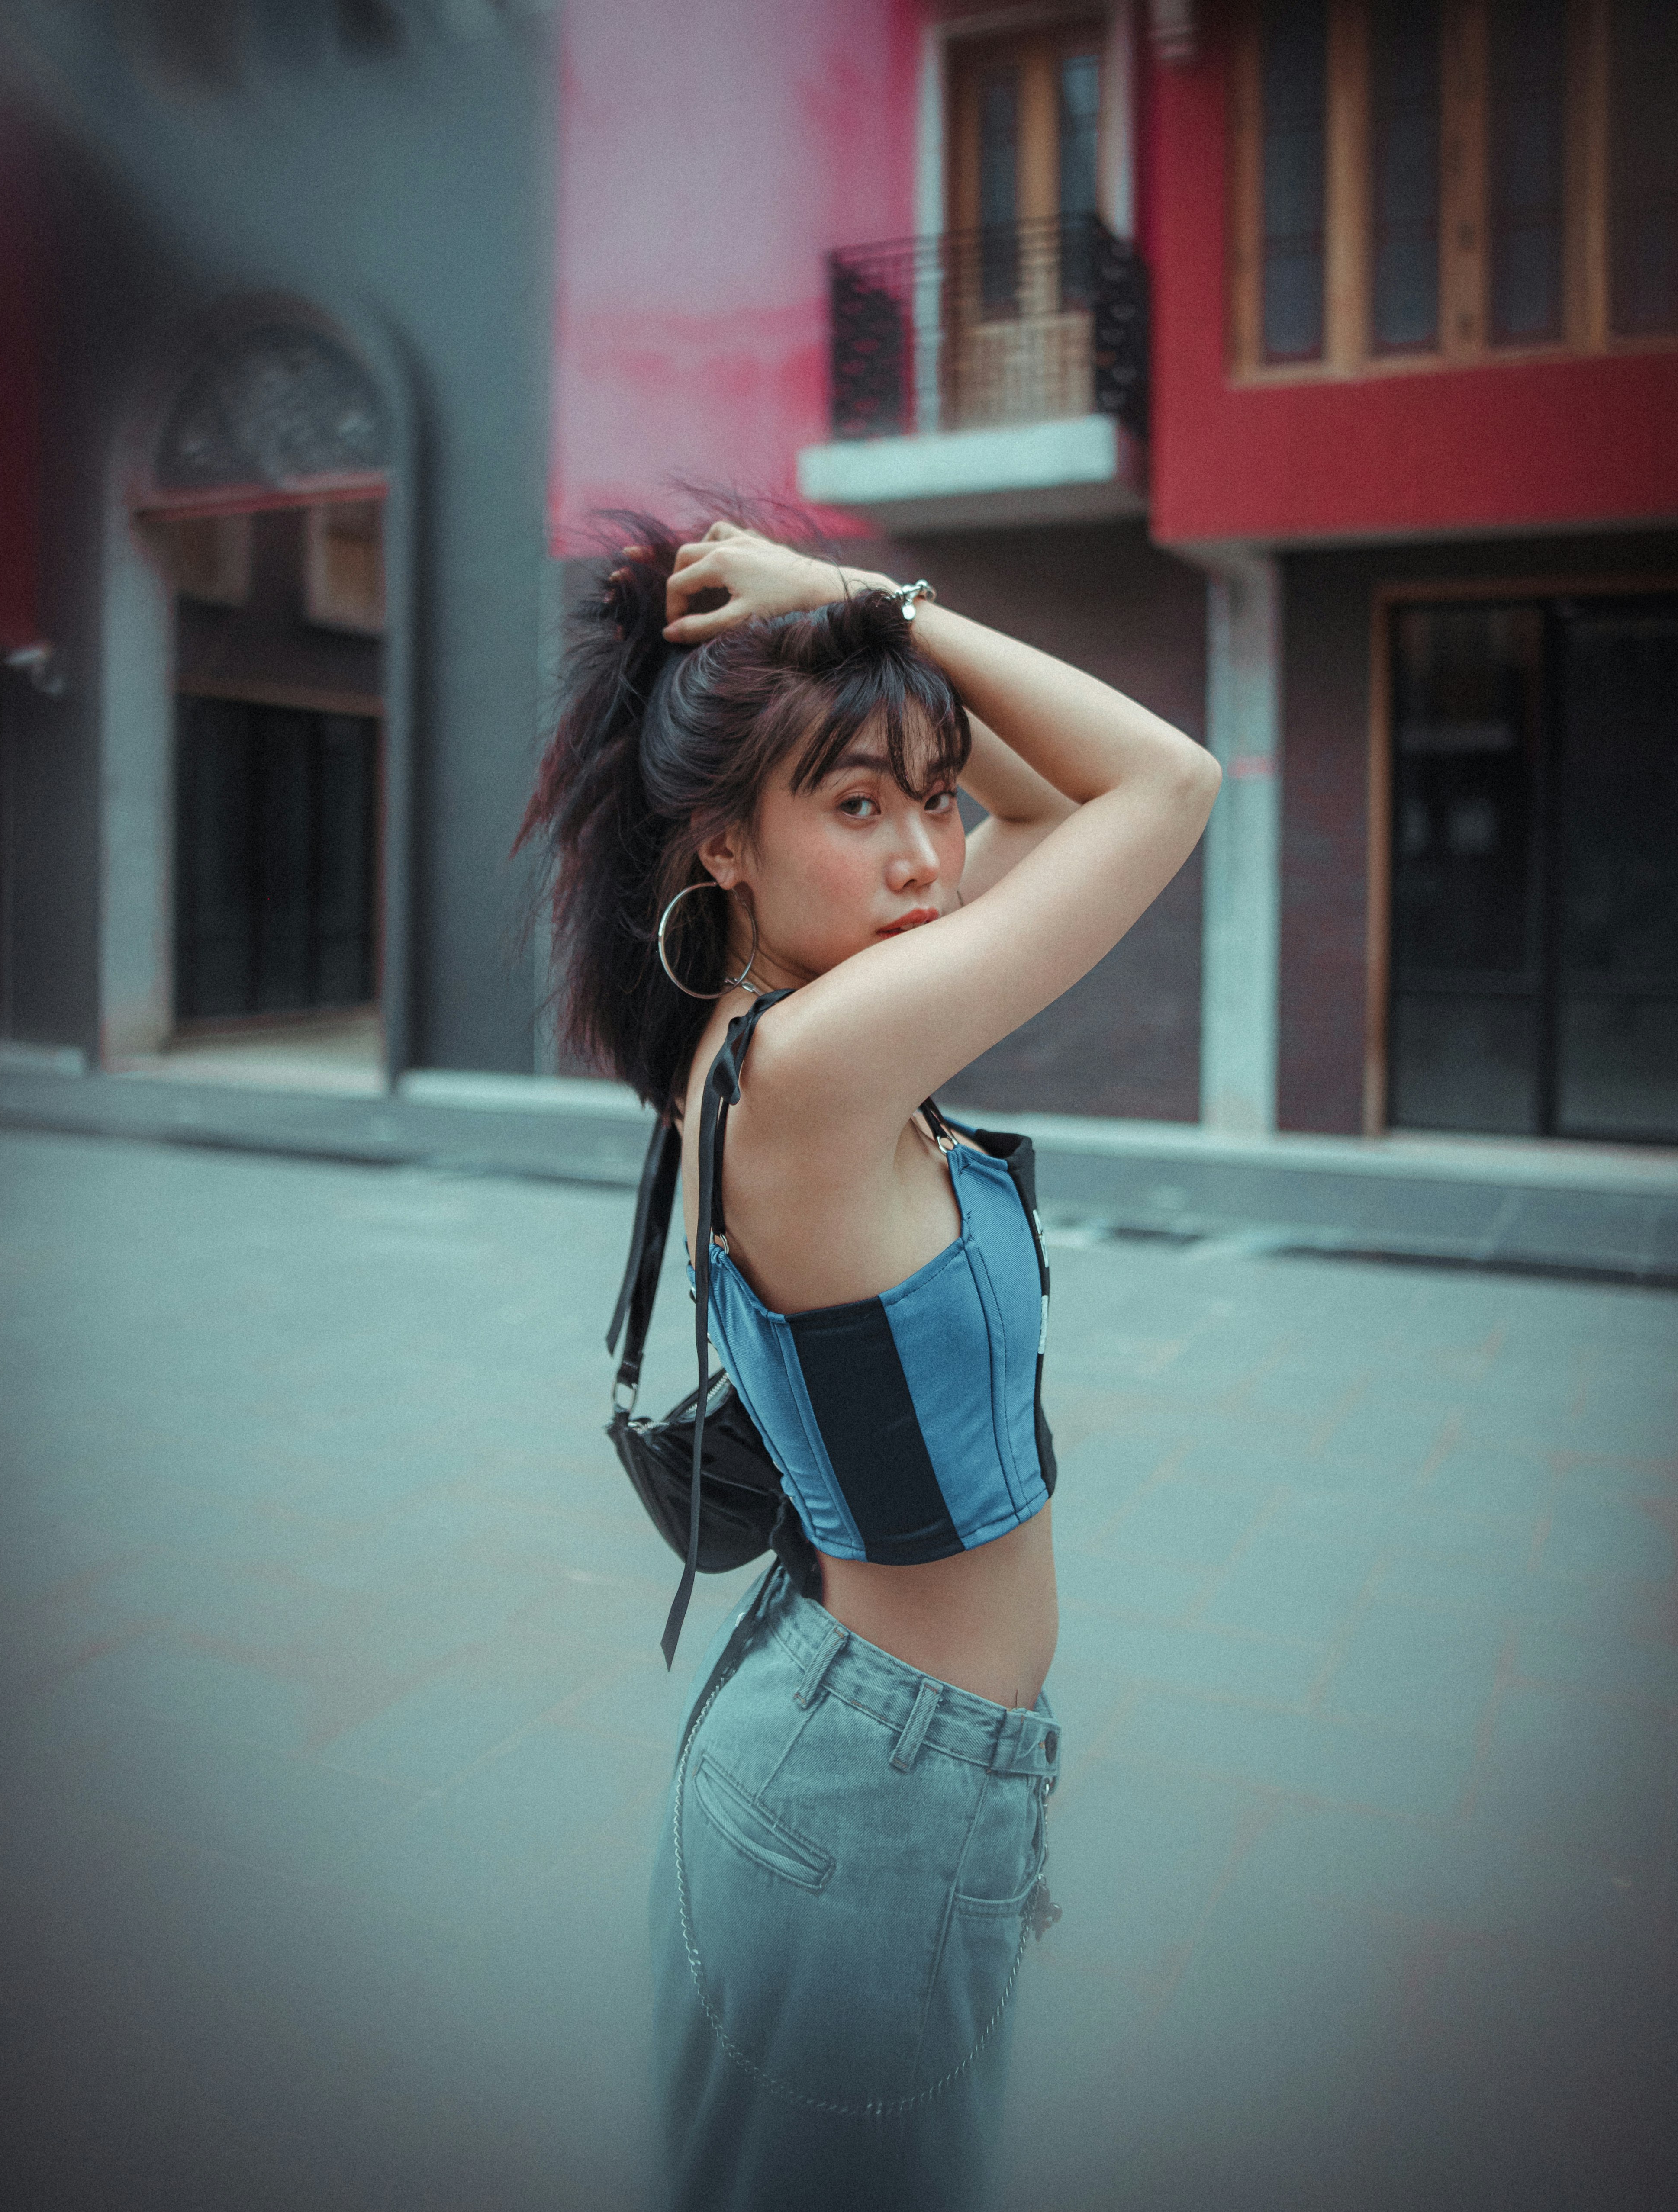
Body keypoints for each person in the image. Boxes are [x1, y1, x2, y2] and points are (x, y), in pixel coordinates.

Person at [520, 515, 1219, 2212]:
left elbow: (1049, 809)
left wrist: (874, 674)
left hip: (858, 1740)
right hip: (876, 1793)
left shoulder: (786, 1018)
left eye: (931, 797)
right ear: (723, 852)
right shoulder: (824, 1061)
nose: (925, 854)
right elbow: (1168, 785)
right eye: (856, 807)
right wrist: (884, 608)